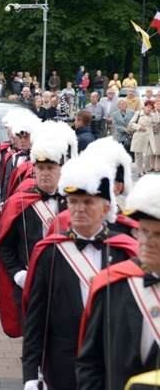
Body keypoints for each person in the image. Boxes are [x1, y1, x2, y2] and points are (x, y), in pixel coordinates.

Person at [21, 154, 137, 390]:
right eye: (73, 202)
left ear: (105, 208)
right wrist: (31, 373)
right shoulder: (50, 252)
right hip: (63, 366)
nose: (78, 209)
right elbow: (36, 318)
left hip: (114, 366)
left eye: (87, 202)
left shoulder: (125, 251)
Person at [76, 174, 160, 389]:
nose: (147, 242)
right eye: (143, 231)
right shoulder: (114, 284)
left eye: (158, 234)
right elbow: (90, 362)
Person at [0, 121, 75, 338]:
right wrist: (17, 273)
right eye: (40, 168)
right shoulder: (19, 202)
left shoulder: (75, 203)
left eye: (51, 168)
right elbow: (5, 246)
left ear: (61, 169)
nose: (45, 173)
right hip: (30, 284)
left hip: (69, 286)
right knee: (34, 345)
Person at [129, 100, 160, 177]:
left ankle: (145, 168)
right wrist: (139, 127)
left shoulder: (152, 115)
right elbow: (131, 124)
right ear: (145, 106)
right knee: (138, 155)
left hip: (149, 136)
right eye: (148, 107)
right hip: (139, 136)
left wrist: (155, 111)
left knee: (149, 153)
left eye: (151, 108)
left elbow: (157, 120)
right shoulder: (138, 113)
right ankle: (140, 171)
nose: (149, 109)